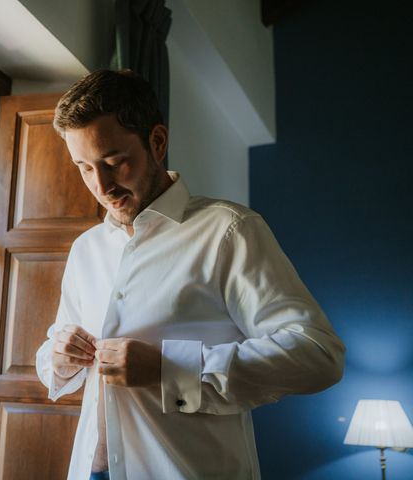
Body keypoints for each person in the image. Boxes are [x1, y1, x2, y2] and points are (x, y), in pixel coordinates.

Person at [35, 69, 345, 480]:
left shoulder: (229, 230)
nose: (102, 186)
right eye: (84, 167)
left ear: (157, 142)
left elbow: (319, 355)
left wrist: (169, 369)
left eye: (114, 162)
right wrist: (60, 354)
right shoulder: (86, 249)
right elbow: (50, 364)